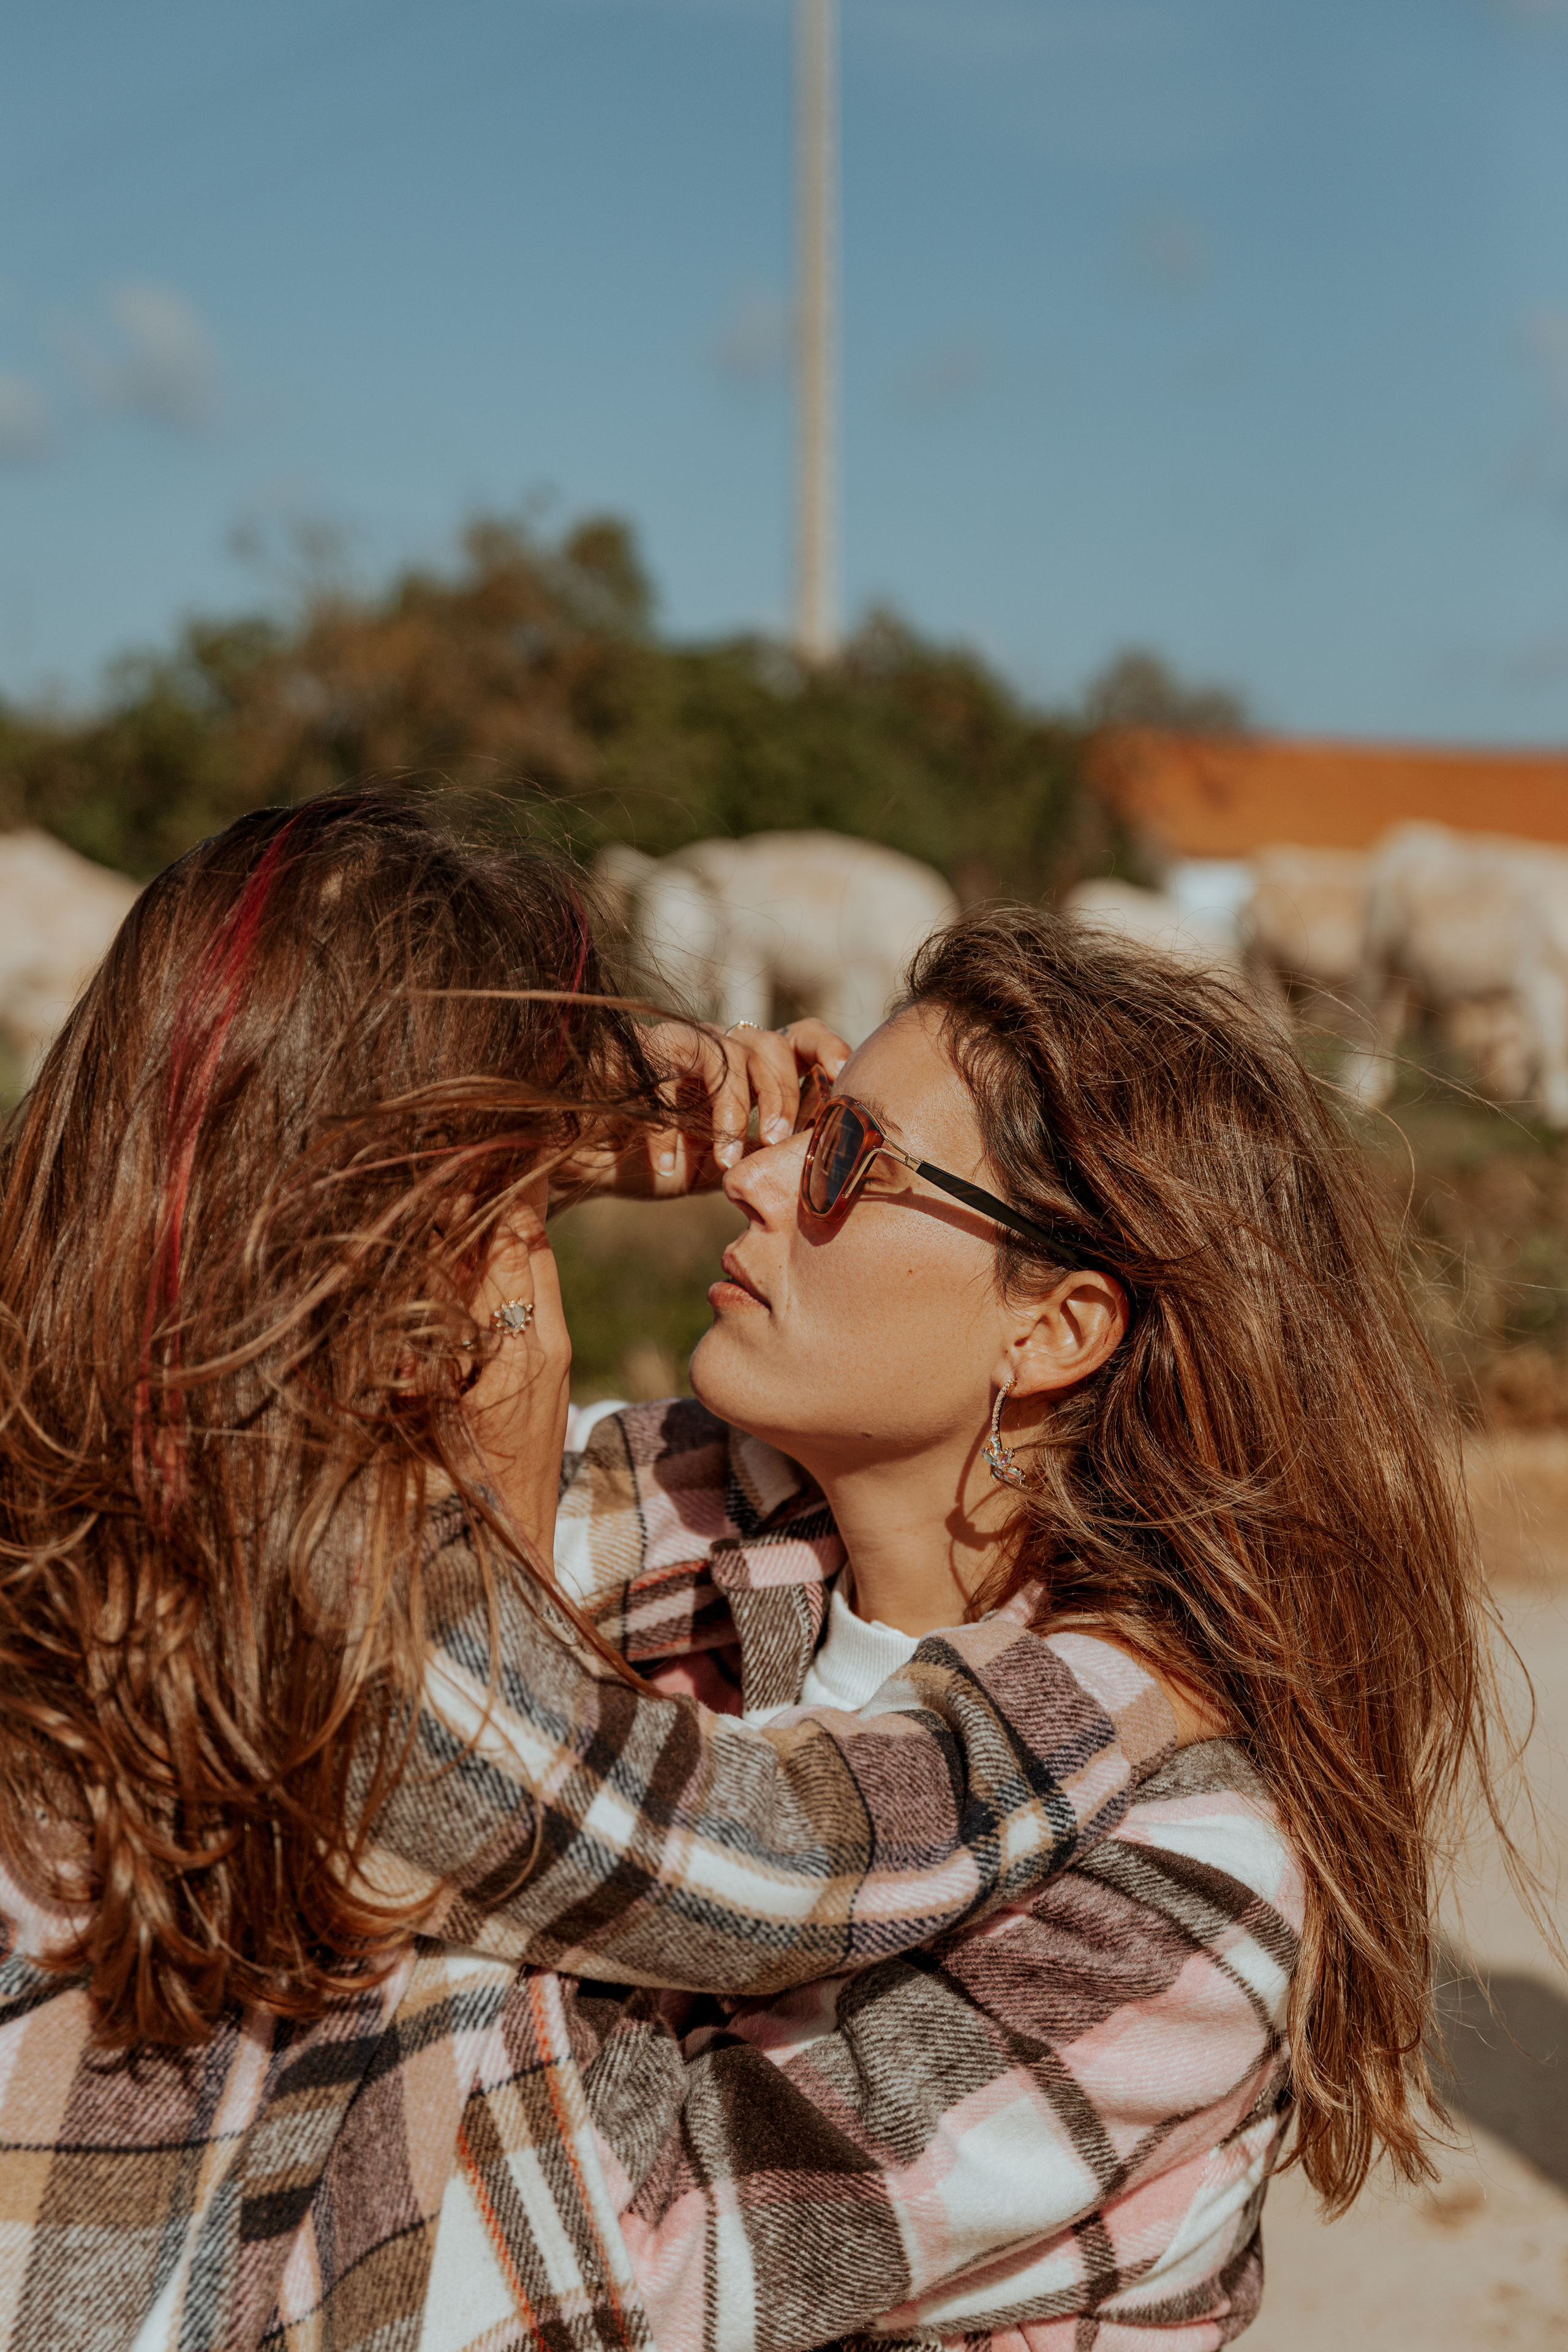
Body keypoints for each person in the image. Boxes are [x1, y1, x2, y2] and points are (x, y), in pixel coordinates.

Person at [0, 796, 1196, 2352]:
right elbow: (760, 1877)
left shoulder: (105, 1462)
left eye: (846, 1154)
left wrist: (546, 1114)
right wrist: (1116, 1688)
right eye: (520, 1196)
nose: (755, 1172)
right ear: (406, 1198)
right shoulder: (335, 1591)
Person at [504, 906, 1525, 2350]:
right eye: (802, 1117)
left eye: (844, 1152)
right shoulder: (696, 1522)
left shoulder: (1188, 1873)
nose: (749, 1171)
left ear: (1051, 1332)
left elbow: (610, 2262)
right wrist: (500, 1143)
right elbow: (195, 1538)